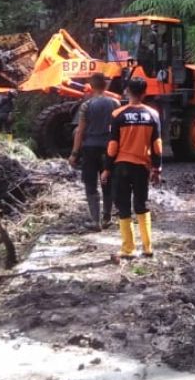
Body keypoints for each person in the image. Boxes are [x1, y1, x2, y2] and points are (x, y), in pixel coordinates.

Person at [102, 78, 162, 259]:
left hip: (121, 166)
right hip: (142, 167)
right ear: (144, 93)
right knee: (141, 205)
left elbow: (113, 145)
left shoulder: (118, 114)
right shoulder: (153, 114)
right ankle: (148, 247)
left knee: (123, 206)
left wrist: (106, 168)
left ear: (127, 91)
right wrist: (157, 168)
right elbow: (157, 145)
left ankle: (128, 249)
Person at [68, 73, 118, 230]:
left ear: (91, 86)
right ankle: (107, 218)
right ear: (106, 85)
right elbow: (118, 129)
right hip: (109, 149)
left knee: (90, 184)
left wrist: (74, 153)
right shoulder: (115, 103)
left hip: (90, 149)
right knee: (107, 183)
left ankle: (95, 221)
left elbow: (80, 132)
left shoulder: (86, 105)